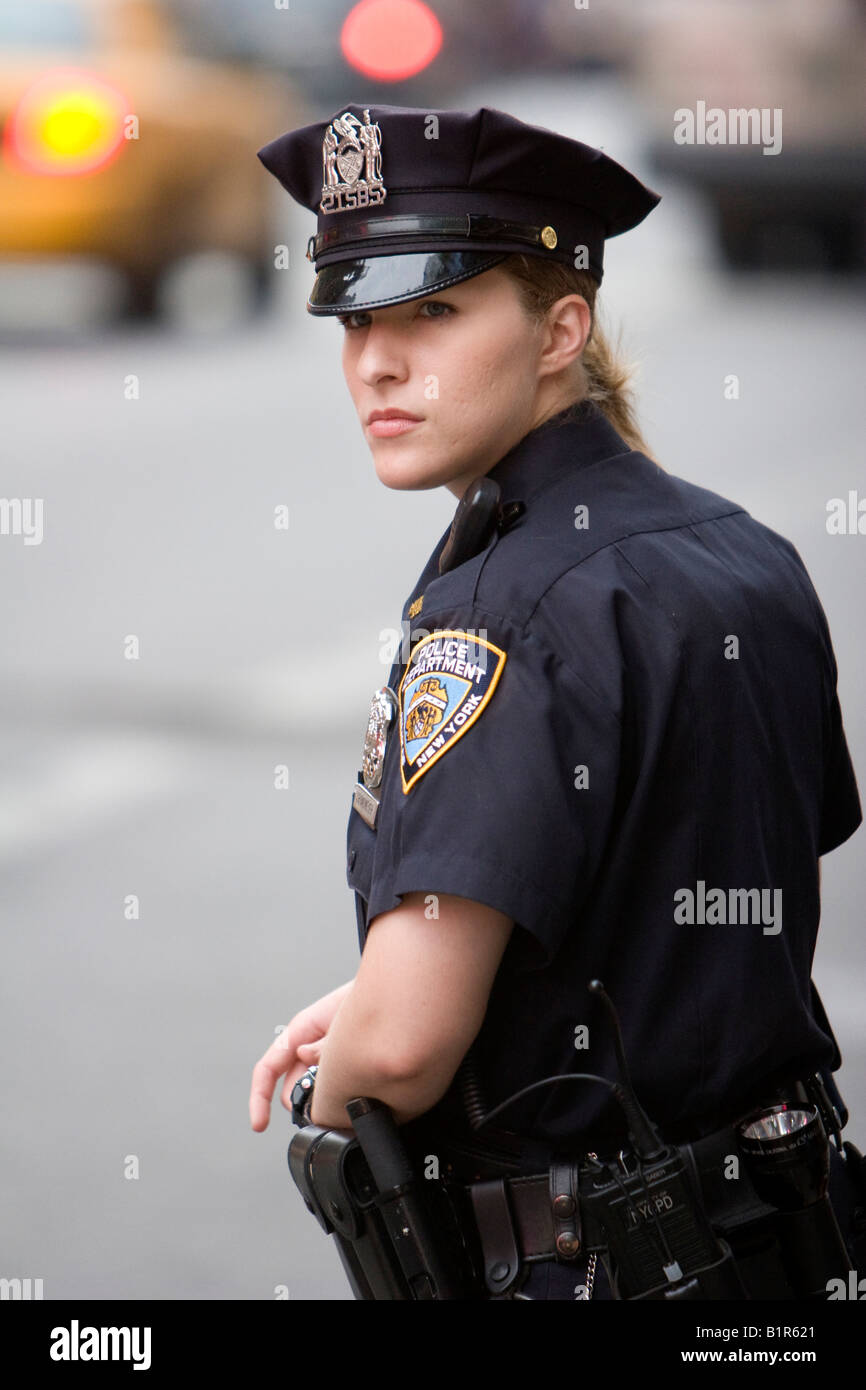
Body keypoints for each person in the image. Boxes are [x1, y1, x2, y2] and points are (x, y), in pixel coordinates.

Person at [248, 103, 863, 1300]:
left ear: (558, 328)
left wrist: (349, 1080)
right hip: (795, 1245)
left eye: (431, 310)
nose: (375, 360)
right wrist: (393, 982)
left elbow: (407, 1049)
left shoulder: (498, 613)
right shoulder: (742, 551)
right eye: (354, 317)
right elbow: (671, 912)